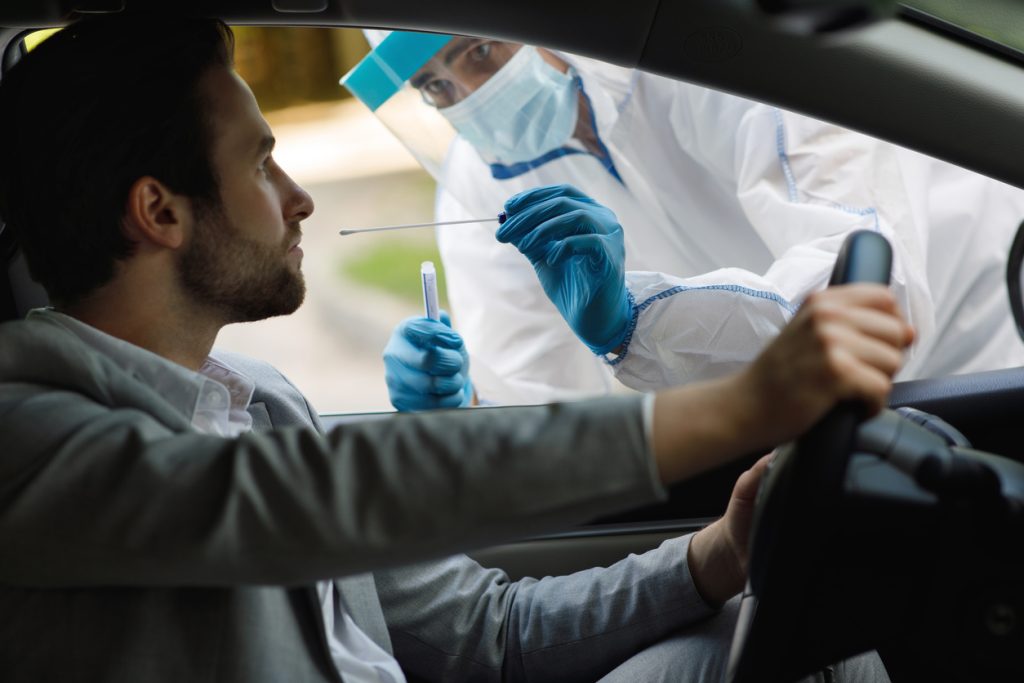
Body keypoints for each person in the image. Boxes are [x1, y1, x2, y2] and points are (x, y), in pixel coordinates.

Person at [0, 14, 912, 682]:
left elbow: (485, 633)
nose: (300, 197)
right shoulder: (29, 434)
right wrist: (732, 407)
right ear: (159, 210)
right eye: (261, 162)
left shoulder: (259, 398)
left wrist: (713, 556)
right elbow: (286, 499)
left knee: (806, 640)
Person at [343, 32, 1024, 409]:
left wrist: (635, 323)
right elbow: (547, 407)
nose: (469, 97)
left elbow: (866, 310)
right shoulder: (480, 176)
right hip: (813, 428)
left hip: (979, 374)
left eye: (478, 51)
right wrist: (469, 407)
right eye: (434, 86)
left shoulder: (707, 64)